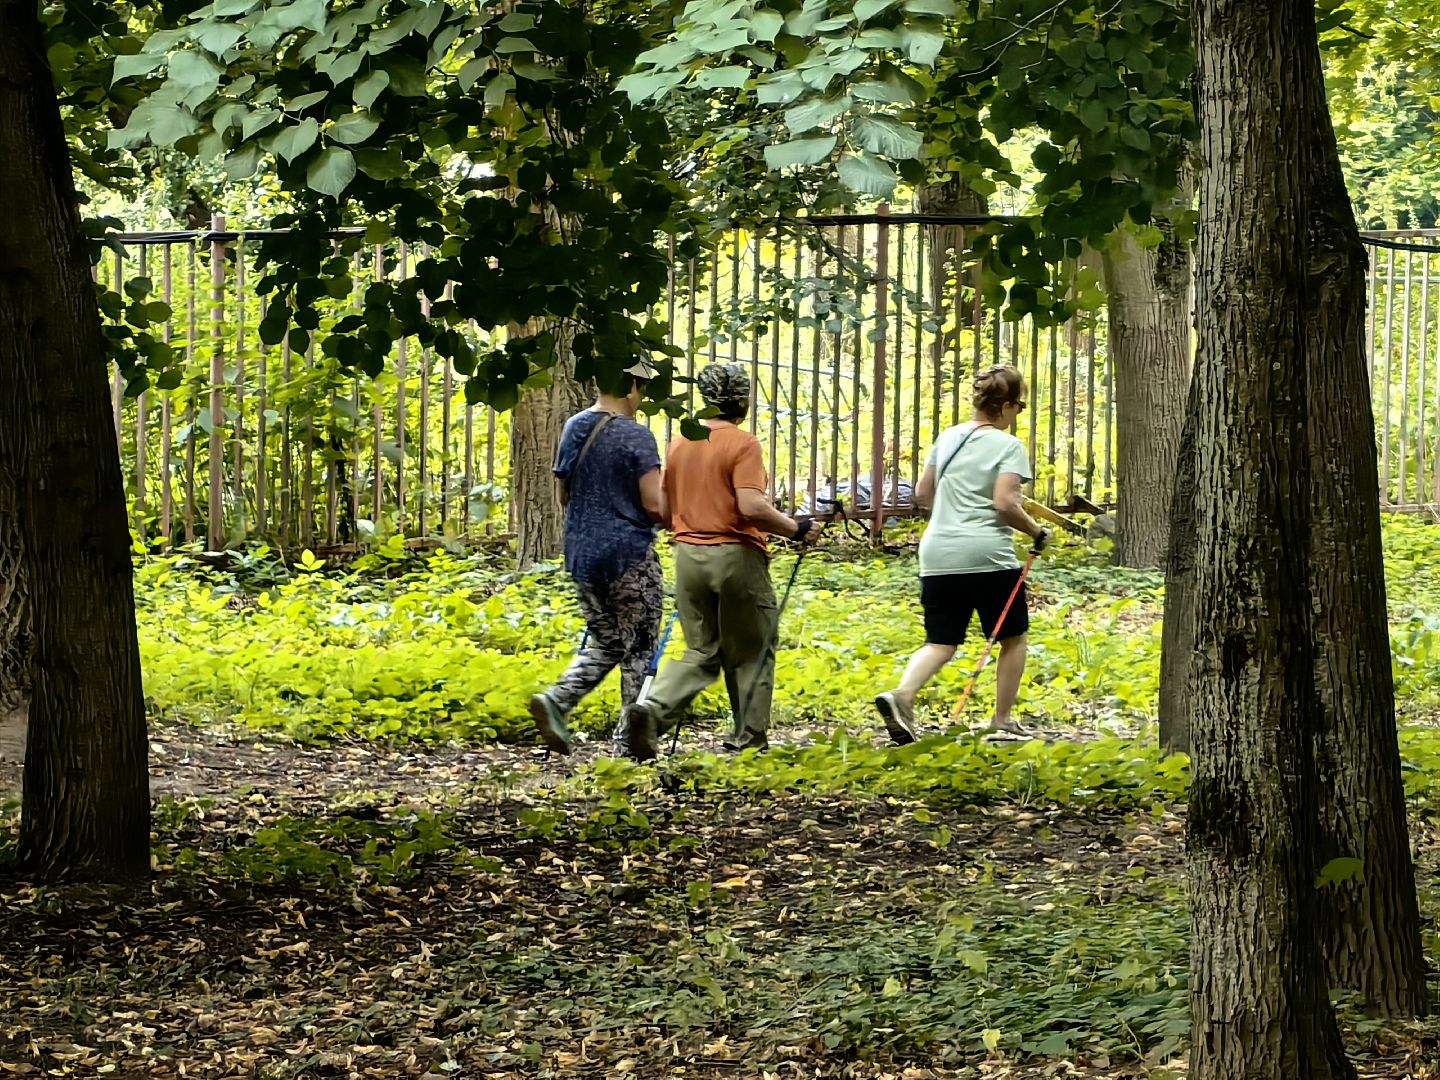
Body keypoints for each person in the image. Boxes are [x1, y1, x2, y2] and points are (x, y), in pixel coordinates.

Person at [626, 363, 820, 760]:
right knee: (751, 650)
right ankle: (748, 742)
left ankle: (653, 710)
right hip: (735, 558)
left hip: (688, 559)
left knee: (702, 651)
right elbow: (751, 506)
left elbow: (663, 507)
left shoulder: (682, 441)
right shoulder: (742, 443)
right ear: (742, 400)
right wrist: (795, 529)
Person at [875, 365, 1052, 744]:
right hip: (987, 554)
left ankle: (902, 696)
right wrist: (1036, 531)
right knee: (1013, 637)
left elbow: (923, 493)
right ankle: (1002, 721)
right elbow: (1005, 503)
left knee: (941, 641)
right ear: (1004, 405)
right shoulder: (1008, 447)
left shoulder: (948, 438)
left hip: (938, 553)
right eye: (1018, 406)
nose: (1017, 413)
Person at [529, 357, 666, 758]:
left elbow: (563, 495)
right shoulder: (636, 436)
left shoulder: (575, 426)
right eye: (643, 389)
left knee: (606, 641)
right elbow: (655, 504)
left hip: (582, 554)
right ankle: (629, 744)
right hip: (629, 555)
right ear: (631, 387)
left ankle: (557, 699)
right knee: (639, 647)